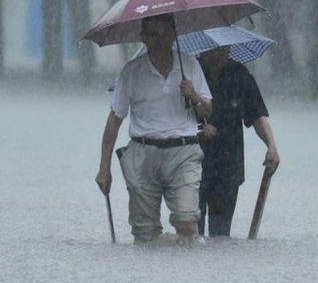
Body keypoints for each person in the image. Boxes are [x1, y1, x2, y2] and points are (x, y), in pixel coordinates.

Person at [95, 14, 213, 246]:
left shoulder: (189, 64)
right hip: (142, 153)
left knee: (188, 221)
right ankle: (150, 278)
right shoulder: (131, 71)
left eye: (164, 34)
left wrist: (194, 95)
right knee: (145, 231)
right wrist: (104, 168)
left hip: (184, 152)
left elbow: (207, 110)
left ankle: (187, 276)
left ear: (173, 35)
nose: (159, 40)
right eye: (152, 35)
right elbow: (114, 122)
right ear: (143, 38)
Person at [197, 46, 279, 237]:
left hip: (228, 164)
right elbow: (172, 120)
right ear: (202, 51)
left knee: (221, 235)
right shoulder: (190, 72)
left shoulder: (239, 74)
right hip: (192, 163)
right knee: (191, 232)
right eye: (212, 50)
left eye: (223, 50)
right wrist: (199, 129)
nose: (218, 55)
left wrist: (271, 146)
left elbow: (258, 115)